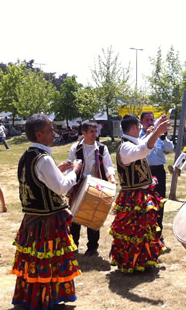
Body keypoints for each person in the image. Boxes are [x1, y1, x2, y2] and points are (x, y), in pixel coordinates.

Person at [11, 113, 82, 310]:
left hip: (32, 218)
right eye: (50, 130)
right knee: (48, 260)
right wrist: (74, 170)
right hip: (48, 221)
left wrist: (58, 168)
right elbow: (61, 188)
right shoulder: (43, 159)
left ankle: (32, 296)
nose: (54, 133)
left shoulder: (26, 156)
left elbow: (39, 182)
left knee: (34, 259)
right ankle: (46, 298)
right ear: (39, 134)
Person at [109, 114, 170, 272]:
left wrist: (156, 128)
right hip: (133, 197)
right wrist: (157, 132)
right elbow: (143, 150)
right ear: (135, 127)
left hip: (139, 195)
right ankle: (132, 263)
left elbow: (143, 143)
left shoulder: (130, 143)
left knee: (143, 231)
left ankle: (142, 262)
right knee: (134, 231)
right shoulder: (125, 147)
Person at [68, 121, 116, 257]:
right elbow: (70, 168)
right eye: (92, 132)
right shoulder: (75, 148)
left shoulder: (102, 148)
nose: (96, 134)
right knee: (75, 217)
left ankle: (92, 248)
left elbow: (108, 165)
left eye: (96, 131)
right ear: (84, 133)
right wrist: (69, 186)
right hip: (79, 185)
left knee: (94, 216)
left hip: (97, 185)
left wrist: (111, 178)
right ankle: (73, 245)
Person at [140, 111, 174, 243]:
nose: (150, 122)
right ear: (141, 122)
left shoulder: (160, 135)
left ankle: (158, 232)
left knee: (159, 201)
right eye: (147, 120)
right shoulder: (139, 137)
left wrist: (163, 136)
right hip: (144, 171)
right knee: (144, 202)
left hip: (159, 171)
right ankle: (145, 232)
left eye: (152, 120)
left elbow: (170, 149)